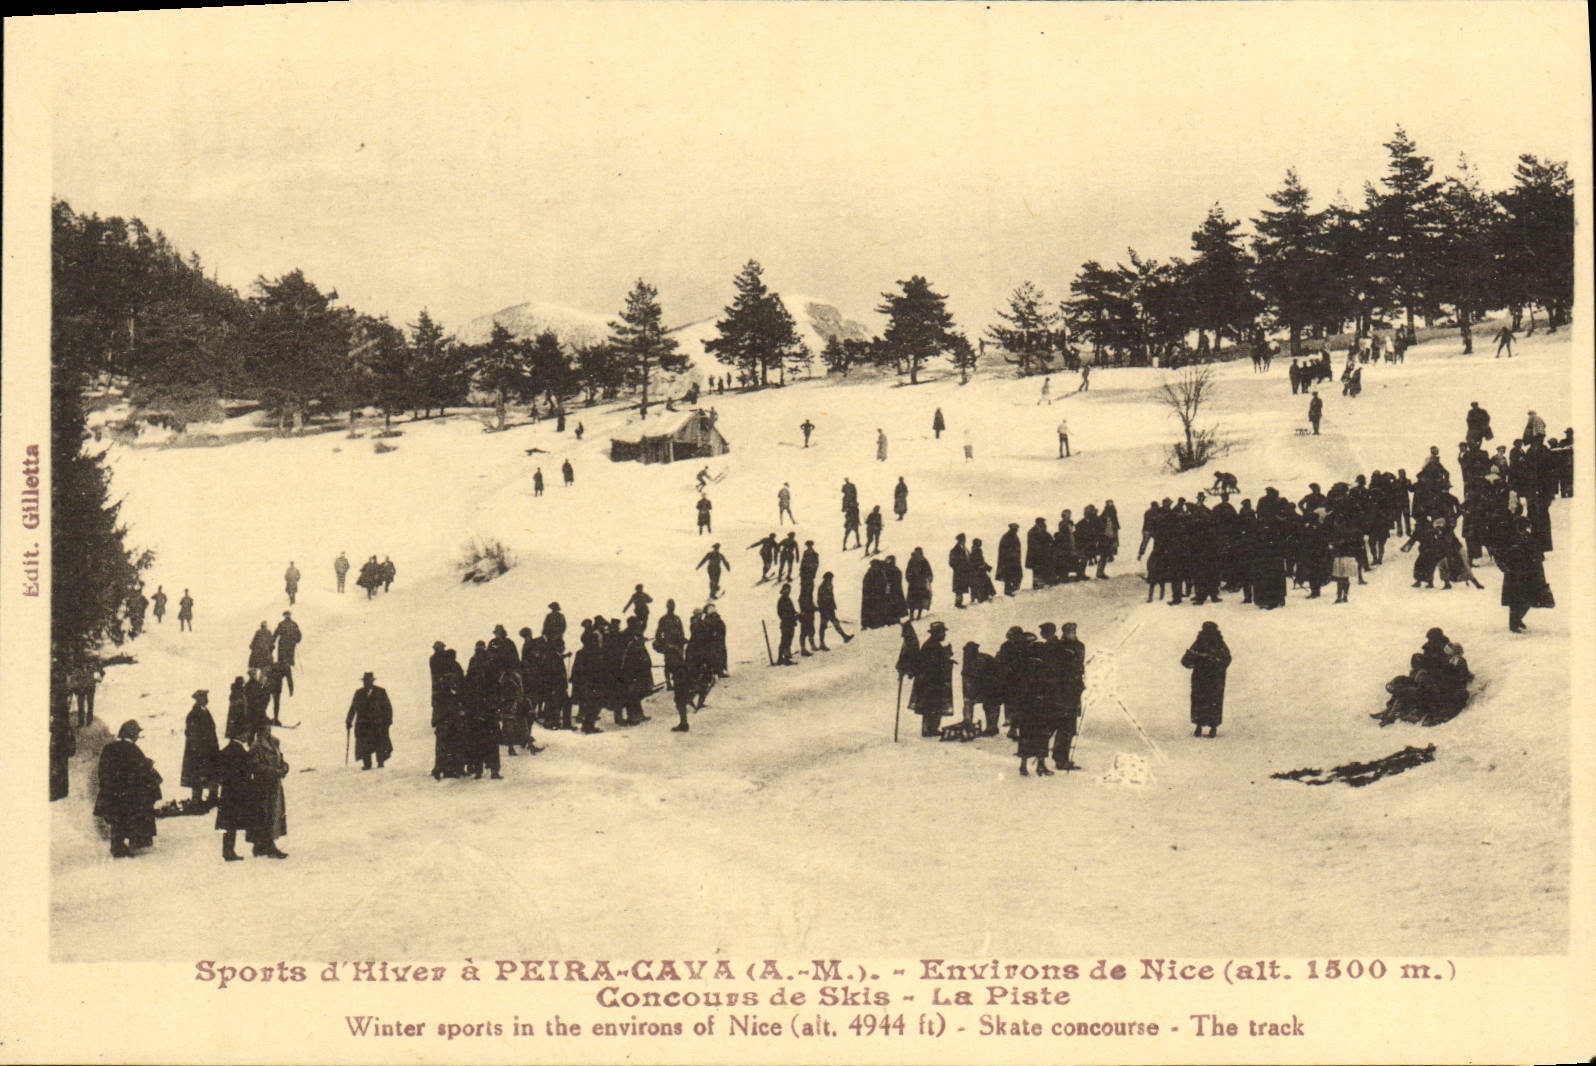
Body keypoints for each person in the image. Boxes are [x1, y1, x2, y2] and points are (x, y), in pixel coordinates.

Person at [95, 720, 161, 857]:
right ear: (132, 734)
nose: (137, 736)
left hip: (113, 792)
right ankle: (127, 845)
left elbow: (102, 770)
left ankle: (117, 845)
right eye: (136, 733)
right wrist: (149, 766)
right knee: (130, 817)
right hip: (130, 793)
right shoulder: (133, 750)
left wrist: (107, 787)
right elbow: (140, 771)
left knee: (117, 821)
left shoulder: (109, 748)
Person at [245, 723, 290, 858]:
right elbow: (256, 766)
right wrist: (275, 771)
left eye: (269, 728)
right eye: (265, 728)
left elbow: (280, 759)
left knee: (273, 814)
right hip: (262, 786)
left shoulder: (274, 743)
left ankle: (261, 845)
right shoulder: (256, 747)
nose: (268, 730)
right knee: (265, 815)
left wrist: (284, 768)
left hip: (274, 785)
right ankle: (268, 846)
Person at [1181, 622, 1232, 738]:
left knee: (1200, 701)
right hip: (1214, 680)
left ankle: (1200, 726)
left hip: (1202, 678)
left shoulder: (1199, 643)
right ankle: (1211, 727)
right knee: (1213, 702)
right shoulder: (1219, 643)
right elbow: (1227, 659)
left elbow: (1185, 661)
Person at [213, 730, 253, 861]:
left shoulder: (227, 749)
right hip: (237, 792)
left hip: (227, 792)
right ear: (239, 734)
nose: (247, 735)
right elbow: (246, 770)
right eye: (245, 733)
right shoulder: (239, 750)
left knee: (228, 823)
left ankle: (228, 850)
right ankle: (229, 852)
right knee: (232, 822)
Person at [909, 621, 954, 737]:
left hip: (932, 681)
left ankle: (931, 727)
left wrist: (946, 657)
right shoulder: (931, 646)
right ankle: (929, 728)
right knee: (931, 704)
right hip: (931, 682)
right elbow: (932, 664)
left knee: (934, 704)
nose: (944, 634)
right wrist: (946, 657)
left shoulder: (933, 645)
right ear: (936, 633)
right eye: (942, 632)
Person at [346, 672, 394, 770]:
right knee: (364, 744)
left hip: (377, 723)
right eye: (365, 681)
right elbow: (353, 707)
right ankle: (367, 764)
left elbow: (388, 707)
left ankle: (380, 763)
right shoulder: (359, 693)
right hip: (363, 724)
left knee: (379, 742)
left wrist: (388, 720)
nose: (366, 683)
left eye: (368, 681)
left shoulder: (380, 691)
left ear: (372, 682)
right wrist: (349, 720)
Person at [181, 690, 219, 808]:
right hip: (198, 752)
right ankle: (196, 801)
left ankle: (212, 798)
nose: (206, 699)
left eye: (206, 697)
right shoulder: (193, 714)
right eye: (203, 697)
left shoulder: (205, 711)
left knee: (210, 775)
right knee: (197, 776)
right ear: (198, 699)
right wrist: (199, 750)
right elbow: (192, 735)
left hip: (209, 750)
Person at [816, 572, 852, 647]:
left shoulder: (829, 585)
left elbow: (831, 597)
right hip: (825, 610)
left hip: (830, 609)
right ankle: (822, 643)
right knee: (824, 626)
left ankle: (844, 637)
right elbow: (820, 600)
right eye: (830, 578)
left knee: (834, 623)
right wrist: (823, 608)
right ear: (826, 579)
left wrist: (833, 605)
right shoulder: (822, 587)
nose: (831, 580)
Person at [274, 611, 301, 696]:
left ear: (284, 616)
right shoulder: (294, 624)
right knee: (288, 669)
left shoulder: (281, 624)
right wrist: (295, 640)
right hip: (290, 649)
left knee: (281, 668)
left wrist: (272, 642)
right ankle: (291, 690)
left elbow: (275, 634)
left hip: (282, 649)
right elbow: (299, 636)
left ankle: (278, 689)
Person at [904, 547, 933, 620]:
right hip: (914, 584)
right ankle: (912, 616)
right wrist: (909, 579)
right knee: (913, 601)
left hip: (920, 584)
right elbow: (908, 571)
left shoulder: (924, 561)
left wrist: (929, 578)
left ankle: (918, 615)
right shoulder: (912, 561)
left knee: (920, 600)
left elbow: (929, 571)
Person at [775, 583, 797, 665]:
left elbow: (792, 610)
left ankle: (781, 658)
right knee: (786, 641)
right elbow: (781, 613)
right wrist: (790, 617)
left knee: (786, 641)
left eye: (789, 590)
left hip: (789, 623)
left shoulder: (788, 599)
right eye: (786, 590)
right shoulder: (782, 600)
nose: (788, 591)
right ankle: (785, 659)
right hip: (786, 623)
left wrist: (796, 614)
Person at [948, 534, 971, 609]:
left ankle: (959, 603)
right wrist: (959, 567)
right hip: (959, 573)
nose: (964, 541)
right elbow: (951, 562)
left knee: (961, 588)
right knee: (959, 589)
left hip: (964, 572)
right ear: (960, 540)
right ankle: (958, 603)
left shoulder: (965, 549)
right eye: (963, 539)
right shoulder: (955, 550)